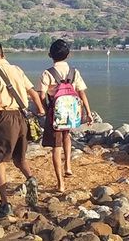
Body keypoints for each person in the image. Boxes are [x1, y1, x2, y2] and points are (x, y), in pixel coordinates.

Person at [0, 41, 46, 217]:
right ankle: (31, 178)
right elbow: (33, 93)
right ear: (2, 54)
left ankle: (5, 204)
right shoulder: (17, 69)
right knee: (20, 158)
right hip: (22, 117)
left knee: (1, 162)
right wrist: (40, 111)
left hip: (5, 118)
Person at [37, 39, 92, 193]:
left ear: (50, 55)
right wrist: (88, 113)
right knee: (67, 136)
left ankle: (60, 183)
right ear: (68, 55)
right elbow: (82, 93)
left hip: (56, 113)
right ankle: (68, 165)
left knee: (56, 147)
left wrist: (46, 109)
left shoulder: (47, 73)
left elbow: (41, 95)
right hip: (72, 113)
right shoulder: (74, 72)